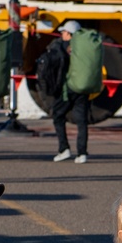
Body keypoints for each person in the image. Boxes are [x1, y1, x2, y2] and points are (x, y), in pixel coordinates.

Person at [51, 21, 90, 165]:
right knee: (82, 121)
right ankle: (82, 153)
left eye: (63, 32)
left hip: (69, 89)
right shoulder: (85, 47)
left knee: (57, 114)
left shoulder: (63, 46)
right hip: (83, 87)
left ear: (69, 33)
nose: (62, 35)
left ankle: (64, 149)